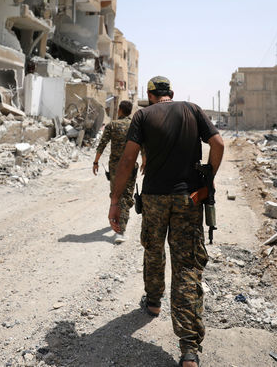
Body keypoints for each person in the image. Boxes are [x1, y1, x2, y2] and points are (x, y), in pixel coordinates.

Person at [109, 76, 224, 367]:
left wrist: (115, 201)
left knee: (153, 249)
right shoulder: (193, 110)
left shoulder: (143, 115)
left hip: (154, 199)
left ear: (149, 95)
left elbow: (127, 161)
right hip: (188, 198)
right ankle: (188, 350)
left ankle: (154, 301)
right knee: (186, 267)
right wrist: (207, 182)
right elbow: (218, 144)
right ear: (171, 93)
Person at [93, 100, 139, 244]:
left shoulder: (112, 125)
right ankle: (121, 224)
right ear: (130, 111)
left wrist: (95, 162)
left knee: (117, 195)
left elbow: (102, 144)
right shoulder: (135, 125)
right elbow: (142, 144)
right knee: (126, 195)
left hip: (115, 168)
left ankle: (120, 230)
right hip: (131, 165)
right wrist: (145, 160)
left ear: (119, 110)